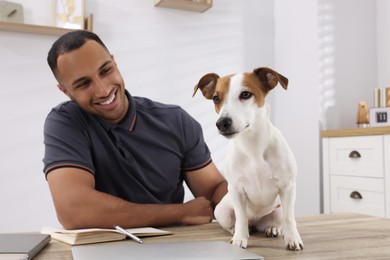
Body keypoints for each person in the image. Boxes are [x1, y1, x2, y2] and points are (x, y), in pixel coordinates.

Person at [43, 30, 227, 230]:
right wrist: (180, 213)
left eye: (106, 70)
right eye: (83, 83)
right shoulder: (65, 123)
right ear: (65, 91)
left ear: (115, 62)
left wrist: (256, 192)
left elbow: (214, 191)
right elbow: (74, 211)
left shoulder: (176, 121)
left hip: (173, 248)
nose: (103, 90)